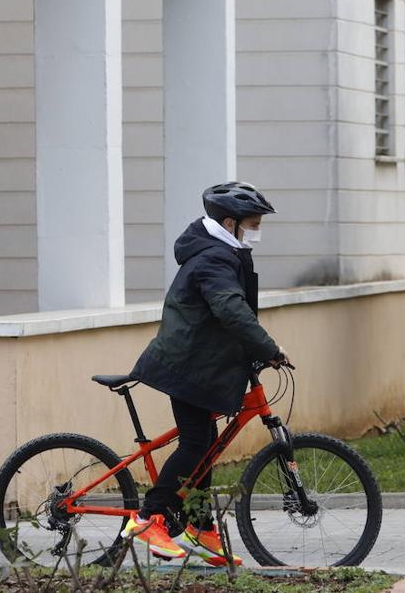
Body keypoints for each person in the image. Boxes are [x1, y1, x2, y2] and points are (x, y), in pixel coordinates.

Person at [125, 181, 288, 566]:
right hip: (185, 367)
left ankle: (199, 527)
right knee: (197, 443)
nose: (254, 232)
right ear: (229, 222)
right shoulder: (214, 259)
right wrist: (269, 347)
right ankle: (149, 519)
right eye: (251, 224)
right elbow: (230, 308)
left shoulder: (220, 251)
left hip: (196, 364)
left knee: (206, 443)